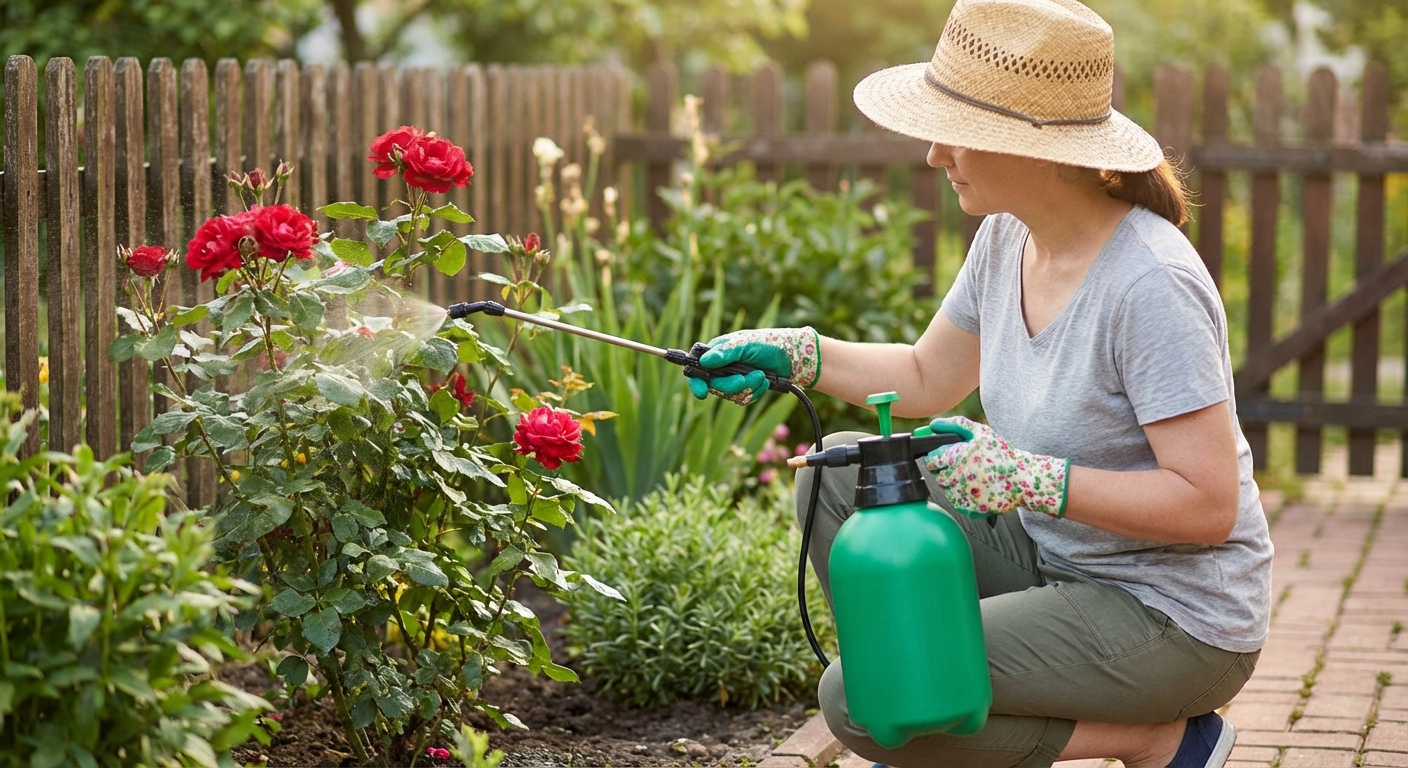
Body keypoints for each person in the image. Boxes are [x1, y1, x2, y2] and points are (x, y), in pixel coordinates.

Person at [683, 0, 1274, 766]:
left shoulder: (1149, 284)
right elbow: (928, 377)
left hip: (1172, 616)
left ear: (1027, 147)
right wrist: (795, 353)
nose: (933, 155)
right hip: (1054, 559)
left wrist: (1029, 479)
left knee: (865, 699)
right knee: (839, 485)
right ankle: (948, 690)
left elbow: (1205, 505)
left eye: (950, 131)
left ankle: (1160, 738)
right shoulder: (1008, 238)